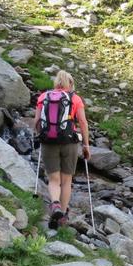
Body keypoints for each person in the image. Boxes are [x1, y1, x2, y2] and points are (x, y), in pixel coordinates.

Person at [34, 70, 90, 228]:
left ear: (56, 83)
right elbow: (83, 123)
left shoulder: (44, 97)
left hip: (48, 143)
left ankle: (55, 205)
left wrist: (42, 136)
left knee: (53, 179)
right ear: (70, 83)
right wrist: (86, 145)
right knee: (66, 181)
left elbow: (37, 121)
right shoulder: (75, 98)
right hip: (69, 143)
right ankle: (62, 216)